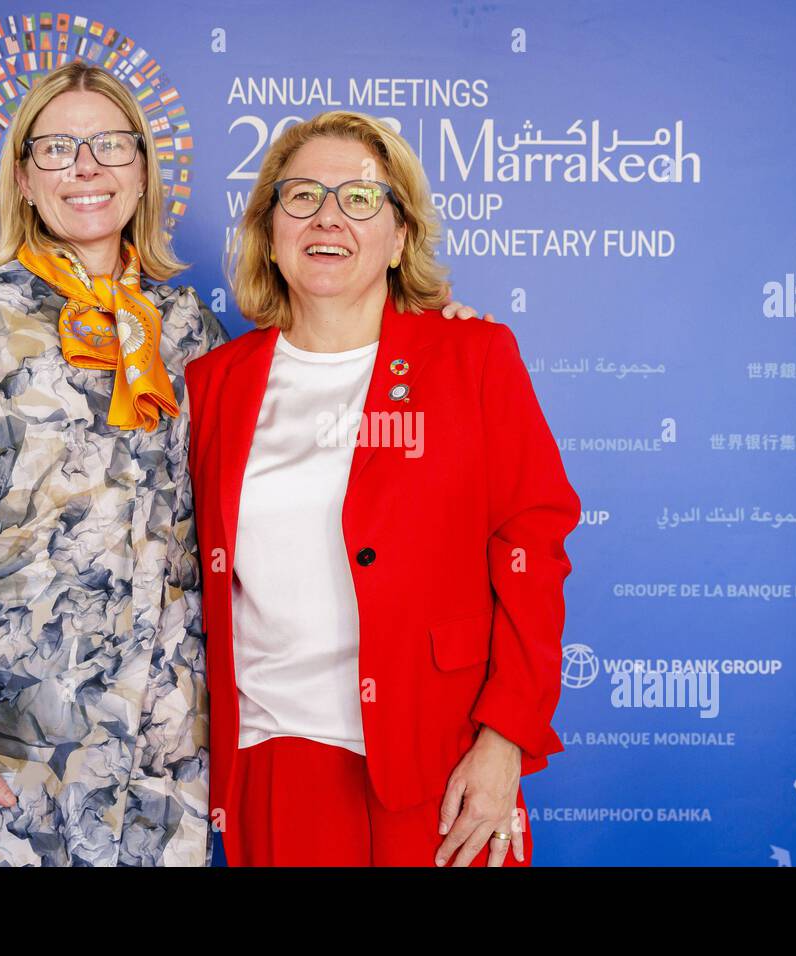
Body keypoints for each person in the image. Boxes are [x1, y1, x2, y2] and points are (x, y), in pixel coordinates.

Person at [0, 63, 486, 867]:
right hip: (19, 745)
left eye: (110, 146)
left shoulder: (191, 330)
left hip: (173, 754)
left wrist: (428, 338)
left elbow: (307, 410)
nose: (86, 167)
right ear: (24, 178)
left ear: (141, 172)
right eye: (57, 148)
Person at [185, 111, 580, 867]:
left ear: (400, 236)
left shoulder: (474, 357)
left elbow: (536, 553)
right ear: (270, 231)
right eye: (301, 196)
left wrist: (506, 743)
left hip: (444, 761)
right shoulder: (215, 385)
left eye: (360, 198)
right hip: (276, 760)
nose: (328, 216)